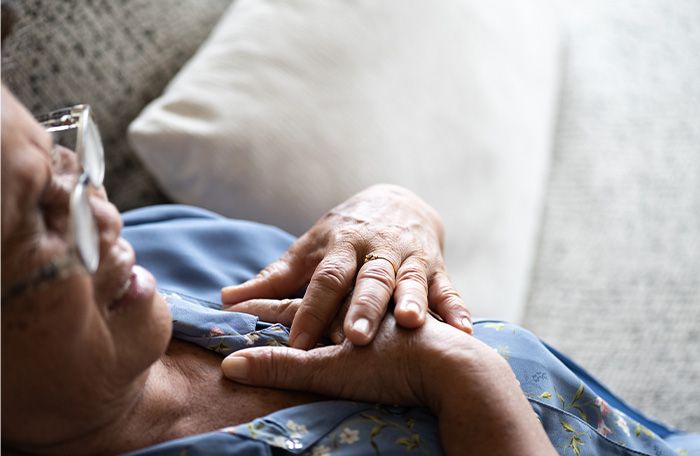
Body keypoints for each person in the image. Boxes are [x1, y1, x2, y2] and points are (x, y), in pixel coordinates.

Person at [2, 86, 698, 456]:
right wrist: (461, 378)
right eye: (41, 224)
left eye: (65, 159)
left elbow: (379, 255)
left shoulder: (158, 254)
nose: (107, 218)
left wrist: (394, 210)